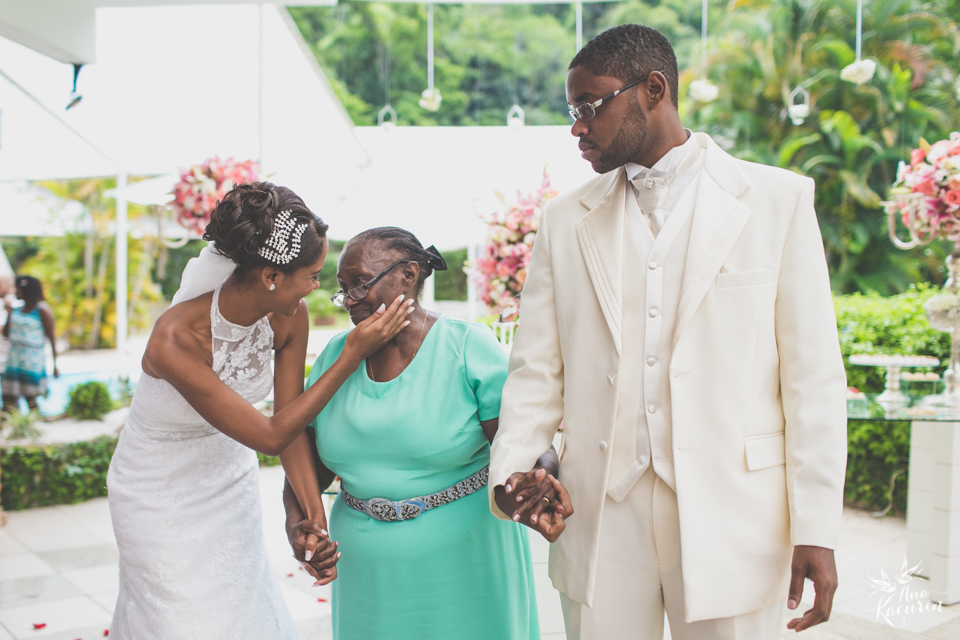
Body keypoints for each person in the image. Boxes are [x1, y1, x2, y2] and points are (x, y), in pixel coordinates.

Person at [488, 24, 847, 640]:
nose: (576, 127)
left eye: (589, 107)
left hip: (735, 517)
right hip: (600, 510)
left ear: (653, 89)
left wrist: (816, 526)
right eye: (571, 111)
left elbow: (812, 379)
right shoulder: (562, 219)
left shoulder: (779, 200)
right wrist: (512, 476)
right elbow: (537, 371)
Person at [106, 183, 413, 639]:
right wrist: (351, 356)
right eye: (311, 274)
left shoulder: (290, 315)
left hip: (227, 480)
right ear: (271, 276)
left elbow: (288, 421)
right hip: (155, 490)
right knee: (177, 618)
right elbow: (269, 435)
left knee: (236, 609)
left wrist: (313, 516)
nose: (317, 286)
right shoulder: (175, 339)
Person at [282, 227, 547, 640]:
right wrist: (297, 523)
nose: (351, 299)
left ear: (408, 274)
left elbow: (524, 447)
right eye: (343, 289)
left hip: (467, 559)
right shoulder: (336, 354)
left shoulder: (467, 346)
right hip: (366, 576)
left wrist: (538, 480)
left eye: (360, 283)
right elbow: (306, 468)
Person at [2, 276, 58, 414]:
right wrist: (9, 313)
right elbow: (7, 334)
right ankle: (12, 425)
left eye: (18, 289)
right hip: (14, 360)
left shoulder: (42, 310)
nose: (15, 292)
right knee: (8, 396)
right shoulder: (16, 310)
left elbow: (52, 338)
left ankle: (33, 424)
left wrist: (55, 364)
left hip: (31, 362)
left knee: (30, 397)